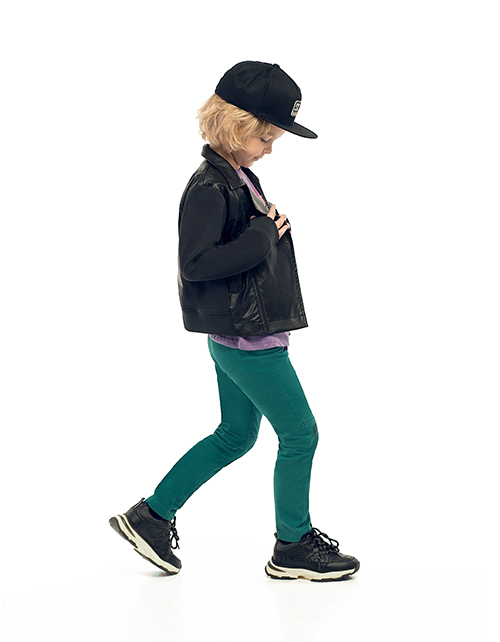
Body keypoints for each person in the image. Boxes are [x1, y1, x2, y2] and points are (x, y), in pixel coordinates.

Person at [109, 61, 360, 582]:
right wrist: (264, 234)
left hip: (241, 335)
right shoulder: (210, 186)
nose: (269, 149)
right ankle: (292, 545)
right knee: (301, 434)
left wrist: (266, 229)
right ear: (234, 125)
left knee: (236, 434)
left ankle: (151, 517)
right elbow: (196, 263)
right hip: (250, 342)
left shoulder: (236, 176)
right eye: (265, 138)